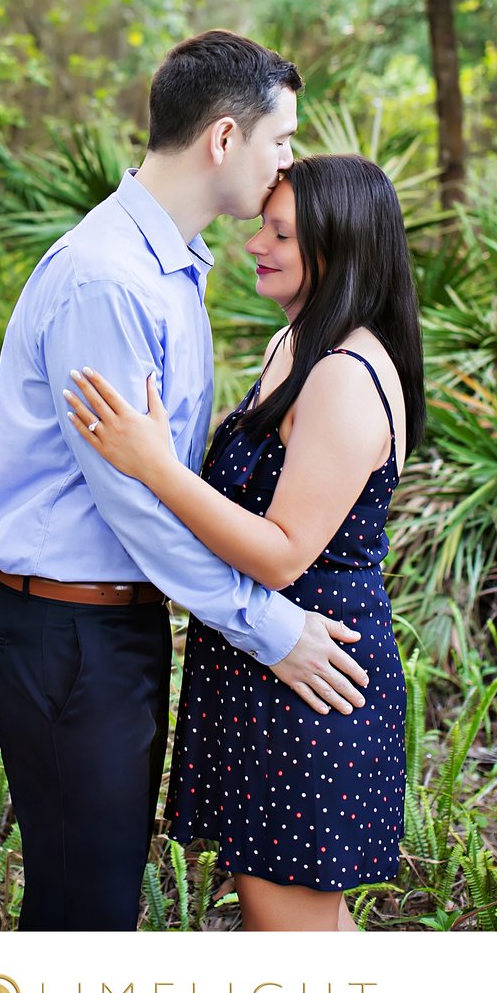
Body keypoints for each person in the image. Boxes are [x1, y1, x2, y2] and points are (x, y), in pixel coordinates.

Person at [0, 33, 372, 932]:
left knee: (99, 897)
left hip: (114, 625)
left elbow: (171, 480)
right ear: (225, 141)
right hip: (67, 630)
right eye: (280, 140)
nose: (287, 162)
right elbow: (140, 506)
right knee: (88, 911)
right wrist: (272, 630)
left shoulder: (172, 271)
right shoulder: (108, 280)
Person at [66, 153, 425, 931]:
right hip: (265, 667)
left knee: (288, 940)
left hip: (310, 674)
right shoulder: (293, 347)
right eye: (264, 223)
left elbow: (282, 551)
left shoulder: (344, 375)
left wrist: (156, 468)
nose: (257, 243)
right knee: (310, 930)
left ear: (342, 250)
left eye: (283, 234)